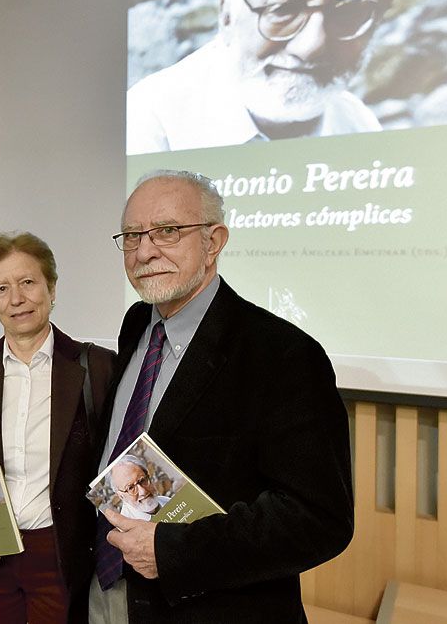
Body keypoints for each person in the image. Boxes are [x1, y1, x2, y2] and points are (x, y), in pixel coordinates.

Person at [89, 171, 353, 622]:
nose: (145, 250)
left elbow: (318, 518)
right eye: (132, 236)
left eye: (168, 231)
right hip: (109, 597)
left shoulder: (283, 354)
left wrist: (173, 552)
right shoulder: (137, 325)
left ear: (214, 242)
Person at [0, 232, 114, 624]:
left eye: (28, 282)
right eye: (1, 289)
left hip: (61, 554)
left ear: (51, 288)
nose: (16, 298)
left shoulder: (95, 367)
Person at [127, 0, 411, 154]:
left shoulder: (358, 124)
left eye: (349, 11)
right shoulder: (150, 124)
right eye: (283, 9)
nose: (311, 46)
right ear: (227, 13)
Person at [109, 456, 171, 521]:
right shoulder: (127, 528)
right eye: (130, 488)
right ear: (121, 496)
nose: (143, 491)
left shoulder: (166, 501)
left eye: (142, 480)